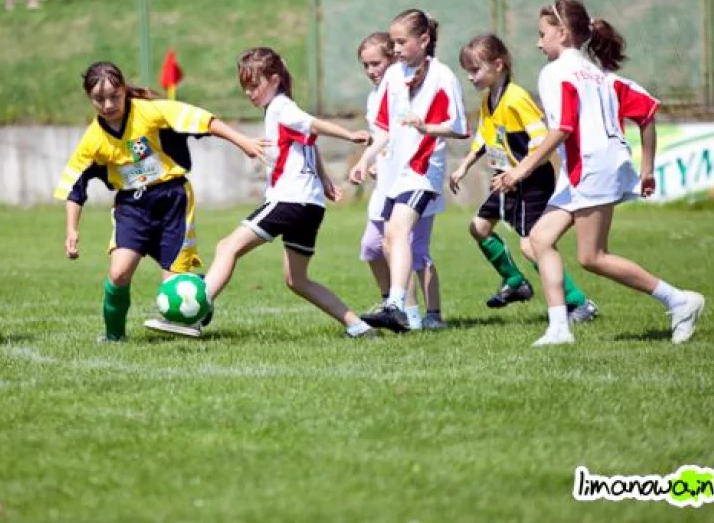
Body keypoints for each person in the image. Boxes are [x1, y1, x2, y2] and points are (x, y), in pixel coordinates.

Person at [491, 0, 705, 346]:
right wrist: (646, 169)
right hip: (598, 165)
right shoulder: (598, 74)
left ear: (561, 33)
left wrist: (522, 170)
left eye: (542, 33)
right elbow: (647, 111)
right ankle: (559, 328)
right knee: (538, 240)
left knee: (592, 256)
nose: (537, 41)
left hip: (591, 167)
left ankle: (679, 300)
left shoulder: (556, 72)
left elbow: (562, 128)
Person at [155, 47, 376, 339]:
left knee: (227, 247)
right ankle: (358, 326)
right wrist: (323, 179)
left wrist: (349, 135)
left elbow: (313, 125)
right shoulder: (283, 108)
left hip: (289, 200)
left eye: (254, 85)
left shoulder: (281, 107)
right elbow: (307, 142)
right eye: (245, 86)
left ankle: (192, 314)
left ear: (274, 79)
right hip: (310, 204)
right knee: (297, 280)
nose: (249, 92)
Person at [54, 61, 265, 342]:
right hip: (132, 207)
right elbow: (75, 185)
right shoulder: (93, 140)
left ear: (124, 90)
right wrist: (72, 229)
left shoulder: (149, 112)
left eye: (114, 96)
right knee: (118, 274)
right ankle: (114, 336)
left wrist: (243, 142)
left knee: (175, 291)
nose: (107, 104)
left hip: (172, 202)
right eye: (99, 99)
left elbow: (202, 120)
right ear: (89, 98)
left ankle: (197, 296)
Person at [449, 33, 598, 322]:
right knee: (478, 228)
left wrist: (518, 173)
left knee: (532, 244)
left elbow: (541, 137)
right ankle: (515, 283)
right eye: (467, 70)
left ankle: (579, 303)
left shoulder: (516, 97)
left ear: (498, 65)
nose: (470, 76)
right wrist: (464, 166)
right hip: (506, 179)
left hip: (531, 179)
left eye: (475, 69)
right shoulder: (488, 100)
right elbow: (484, 137)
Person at [350, 9, 469, 333]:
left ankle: (398, 306)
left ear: (424, 39)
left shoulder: (442, 76)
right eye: (394, 42)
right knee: (388, 240)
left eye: (401, 42)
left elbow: (459, 127)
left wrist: (426, 126)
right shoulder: (393, 76)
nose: (397, 48)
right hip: (395, 176)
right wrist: (364, 160)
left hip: (422, 171)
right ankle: (402, 309)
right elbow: (385, 130)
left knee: (400, 234)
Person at [355, 32, 436, 328]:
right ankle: (391, 302)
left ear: (392, 59)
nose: (371, 71)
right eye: (365, 65)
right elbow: (382, 136)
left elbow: (415, 132)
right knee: (371, 247)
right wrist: (373, 162)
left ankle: (418, 314)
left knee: (409, 249)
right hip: (385, 183)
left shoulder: (407, 87)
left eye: (376, 63)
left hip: (412, 179)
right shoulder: (374, 96)